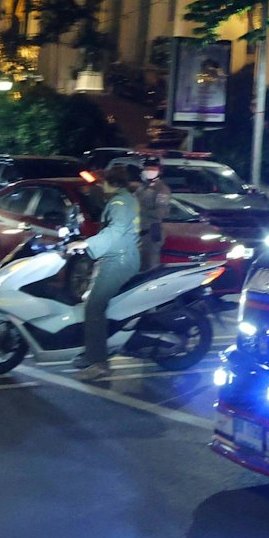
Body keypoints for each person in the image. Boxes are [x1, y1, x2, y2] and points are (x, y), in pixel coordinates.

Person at [73, 165, 142, 382]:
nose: (100, 187)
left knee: (94, 306)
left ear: (110, 183)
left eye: (102, 183)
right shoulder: (125, 199)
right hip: (120, 256)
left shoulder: (120, 203)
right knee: (93, 303)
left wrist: (86, 244)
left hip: (118, 260)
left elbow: (115, 230)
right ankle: (94, 350)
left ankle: (99, 363)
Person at [135, 156, 172, 272]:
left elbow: (159, 213)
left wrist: (139, 210)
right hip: (139, 232)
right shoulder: (142, 187)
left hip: (153, 230)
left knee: (150, 266)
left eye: (152, 168)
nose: (149, 171)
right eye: (146, 168)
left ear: (159, 170)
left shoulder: (162, 189)